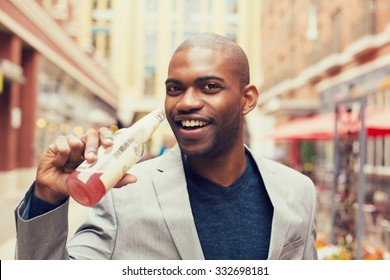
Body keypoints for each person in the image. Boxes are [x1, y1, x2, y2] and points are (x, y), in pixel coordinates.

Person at [14, 33, 318, 260]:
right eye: (175, 89)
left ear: (247, 99)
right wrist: (47, 198)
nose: (186, 102)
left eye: (209, 87)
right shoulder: (122, 195)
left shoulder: (298, 192)